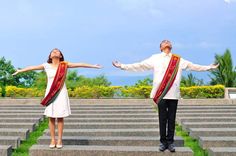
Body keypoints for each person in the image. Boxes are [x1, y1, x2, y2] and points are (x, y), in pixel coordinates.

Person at [112, 40, 219, 152]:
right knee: (162, 119)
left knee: (171, 119)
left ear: (171, 46)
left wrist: (208, 67)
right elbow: (140, 65)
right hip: (161, 93)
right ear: (161, 47)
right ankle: (163, 142)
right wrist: (122, 66)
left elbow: (193, 66)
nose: (167, 42)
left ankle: (171, 142)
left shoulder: (177, 59)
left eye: (169, 42)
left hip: (173, 93)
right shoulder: (155, 58)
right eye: (164, 42)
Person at [12, 48, 102, 149]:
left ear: (60, 56)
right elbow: (32, 67)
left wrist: (93, 66)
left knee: (60, 116)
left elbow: (80, 64)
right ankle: (52, 139)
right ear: (50, 56)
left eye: (57, 51)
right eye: (53, 51)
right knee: (51, 116)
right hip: (50, 93)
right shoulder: (46, 66)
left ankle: (59, 139)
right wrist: (20, 71)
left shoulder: (64, 65)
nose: (55, 51)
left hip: (61, 92)